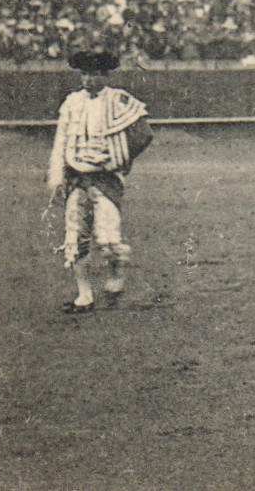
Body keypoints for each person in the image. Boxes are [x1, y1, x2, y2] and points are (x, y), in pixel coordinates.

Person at [48, 51, 154, 314]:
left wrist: (118, 160)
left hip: (106, 178)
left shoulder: (118, 99)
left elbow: (143, 133)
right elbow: (61, 141)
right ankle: (84, 295)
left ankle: (116, 277)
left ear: (105, 76)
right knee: (75, 237)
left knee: (108, 238)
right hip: (76, 176)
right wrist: (56, 176)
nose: (89, 79)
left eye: (95, 74)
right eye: (84, 74)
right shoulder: (72, 102)